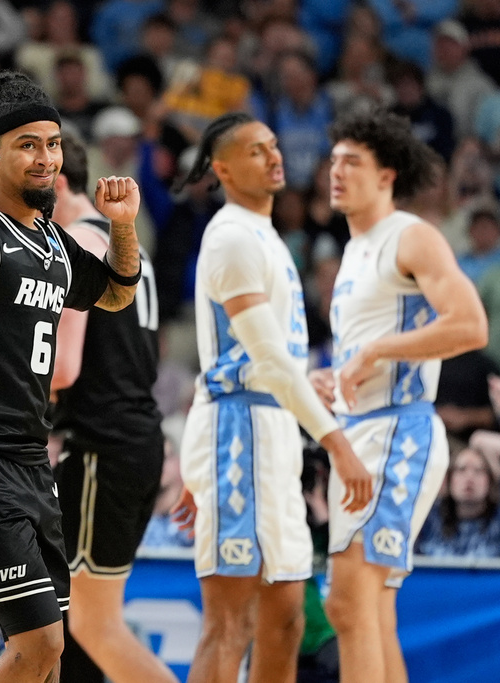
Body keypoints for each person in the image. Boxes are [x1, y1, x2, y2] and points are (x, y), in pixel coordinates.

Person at [0, 71, 143, 683]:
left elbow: (115, 294)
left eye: (53, 144)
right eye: (28, 145)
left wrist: (122, 224)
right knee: (38, 642)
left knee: (49, 657)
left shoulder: (53, 241)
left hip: (29, 458)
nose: (46, 158)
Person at [175, 111, 372, 683]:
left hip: (271, 430)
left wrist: (305, 383)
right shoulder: (232, 236)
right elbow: (266, 360)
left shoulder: (267, 236)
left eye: (274, 145)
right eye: (256, 150)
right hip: (238, 435)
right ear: (223, 169)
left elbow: (264, 358)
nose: (274, 156)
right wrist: (338, 445)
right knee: (229, 625)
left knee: (285, 618)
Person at [312, 109, 489, 683]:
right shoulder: (354, 250)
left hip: (398, 432)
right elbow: (369, 350)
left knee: (349, 602)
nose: (336, 172)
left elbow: (471, 325)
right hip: (361, 431)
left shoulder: (411, 236)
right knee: (372, 611)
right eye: (333, 161)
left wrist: (374, 352)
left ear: (387, 175)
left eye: (352, 162)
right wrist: (335, 376)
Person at [48, 135, 175, 683]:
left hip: (103, 445)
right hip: (134, 438)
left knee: (93, 626)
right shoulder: (125, 243)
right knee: (74, 620)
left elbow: (63, 369)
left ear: (56, 183)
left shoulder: (76, 242)